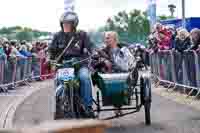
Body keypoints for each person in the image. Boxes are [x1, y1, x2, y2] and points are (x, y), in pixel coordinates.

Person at [48, 11, 94, 116]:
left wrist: (93, 53)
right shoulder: (57, 36)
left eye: (68, 23)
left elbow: (91, 47)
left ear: (74, 24)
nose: (65, 25)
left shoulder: (82, 35)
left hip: (80, 64)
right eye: (63, 23)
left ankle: (88, 107)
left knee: (84, 78)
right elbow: (51, 51)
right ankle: (58, 107)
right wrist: (50, 60)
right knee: (58, 80)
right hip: (64, 66)